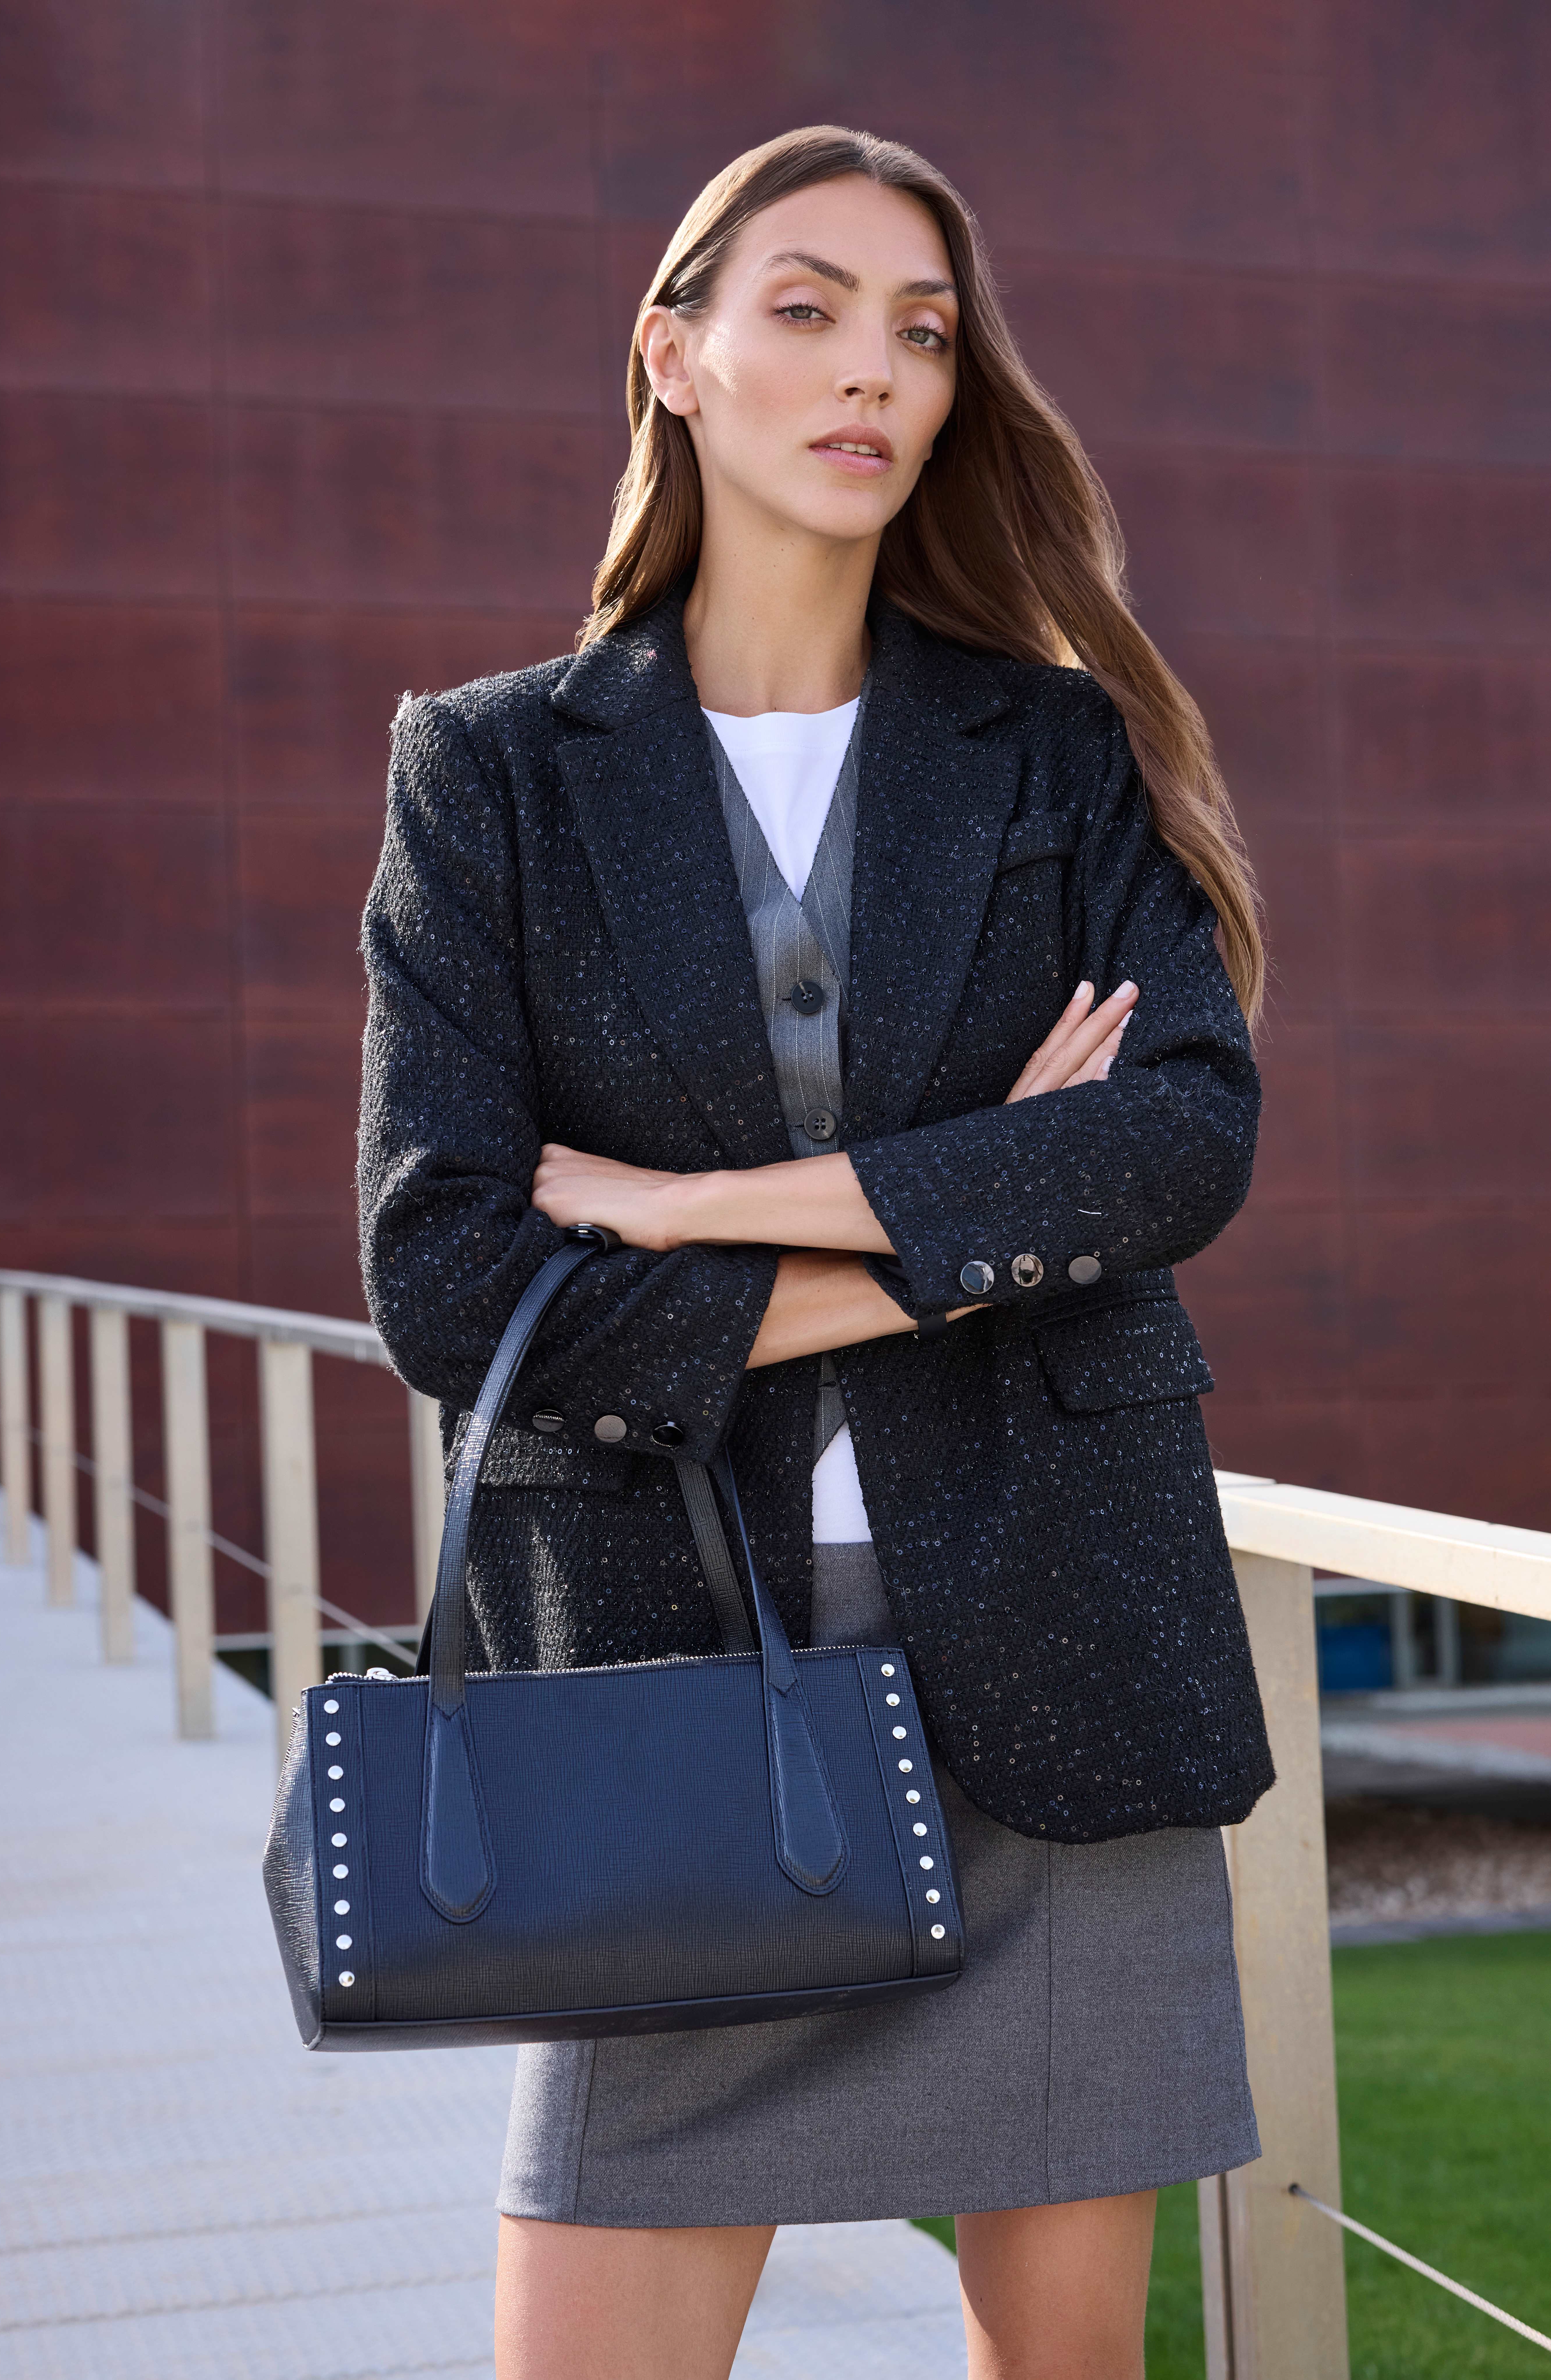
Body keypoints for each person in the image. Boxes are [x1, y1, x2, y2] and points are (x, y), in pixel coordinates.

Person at [359, 124, 1274, 2380]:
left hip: (1069, 1640)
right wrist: (974, 1219)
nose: (872, 367)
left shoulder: (1053, 753)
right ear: (671, 355)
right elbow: (453, 1274)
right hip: (661, 1694)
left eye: (922, 330)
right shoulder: (491, 775)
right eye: (806, 308)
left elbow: (1180, 1141)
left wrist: (681, 1210)